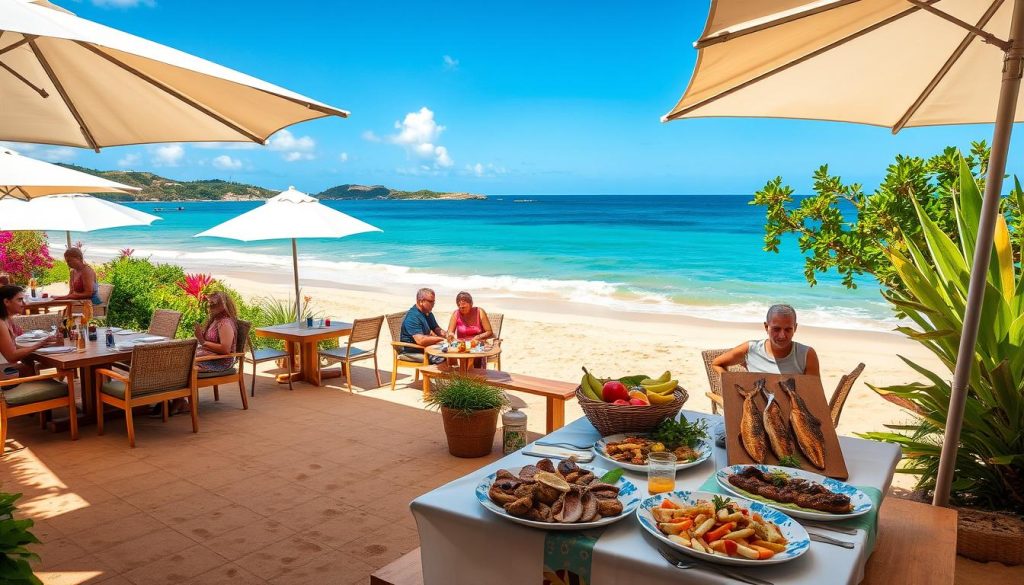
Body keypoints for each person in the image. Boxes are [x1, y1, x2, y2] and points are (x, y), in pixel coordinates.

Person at [164, 291, 238, 416]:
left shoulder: (225, 323)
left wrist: (202, 341)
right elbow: (208, 342)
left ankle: (179, 402)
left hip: (220, 361)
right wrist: (200, 338)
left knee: (181, 368)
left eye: (214, 304)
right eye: (209, 305)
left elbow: (225, 349)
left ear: (223, 305)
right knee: (173, 361)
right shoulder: (215, 320)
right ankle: (176, 400)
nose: (210, 307)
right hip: (208, 356)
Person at [712, 304, 820, 376]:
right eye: (776, 329)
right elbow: (717, 364)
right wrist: (730, 385)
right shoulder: (751, 349)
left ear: (795, 328)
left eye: (788, 329)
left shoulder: (806, 355)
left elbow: (813, 393)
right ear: (766, 327)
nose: (782, 335)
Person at [0, 285, 54, 378]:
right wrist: (39, 344)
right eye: (20, 300)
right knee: (30, 367)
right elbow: (11, 356)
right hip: (4, 380)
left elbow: (14, 347)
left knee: (31, 364)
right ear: (6, 302)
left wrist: (43, 343)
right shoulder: (1, 323)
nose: (24, 303)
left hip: (7, 371)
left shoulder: (7, 320)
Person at [400, 288, 447, 365]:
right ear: (421, 301)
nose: (433, 304)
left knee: (452, 351)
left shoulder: (427, 313)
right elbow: (420, 340)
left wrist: (447, 335)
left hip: (425, 348)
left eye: (434, 302)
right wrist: (441, 339)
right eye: (431, 302)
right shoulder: (412, 317)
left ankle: (452, 376)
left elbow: (436, 328)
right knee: (444, 358)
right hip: (413, 351)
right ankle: (432, 376)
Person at [447, 291, 494, 368]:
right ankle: (457, 374)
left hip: (476, 344)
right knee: (450, 351)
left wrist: (478, 337)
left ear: (471, 304)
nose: (461, 308)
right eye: (459, 306)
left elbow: (489, 331)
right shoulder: (456, 314)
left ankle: (469, 375)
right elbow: (449, 331)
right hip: (462, 346)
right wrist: (450, 335)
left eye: (464, 307)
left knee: (473, 355)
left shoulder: (479, 312)